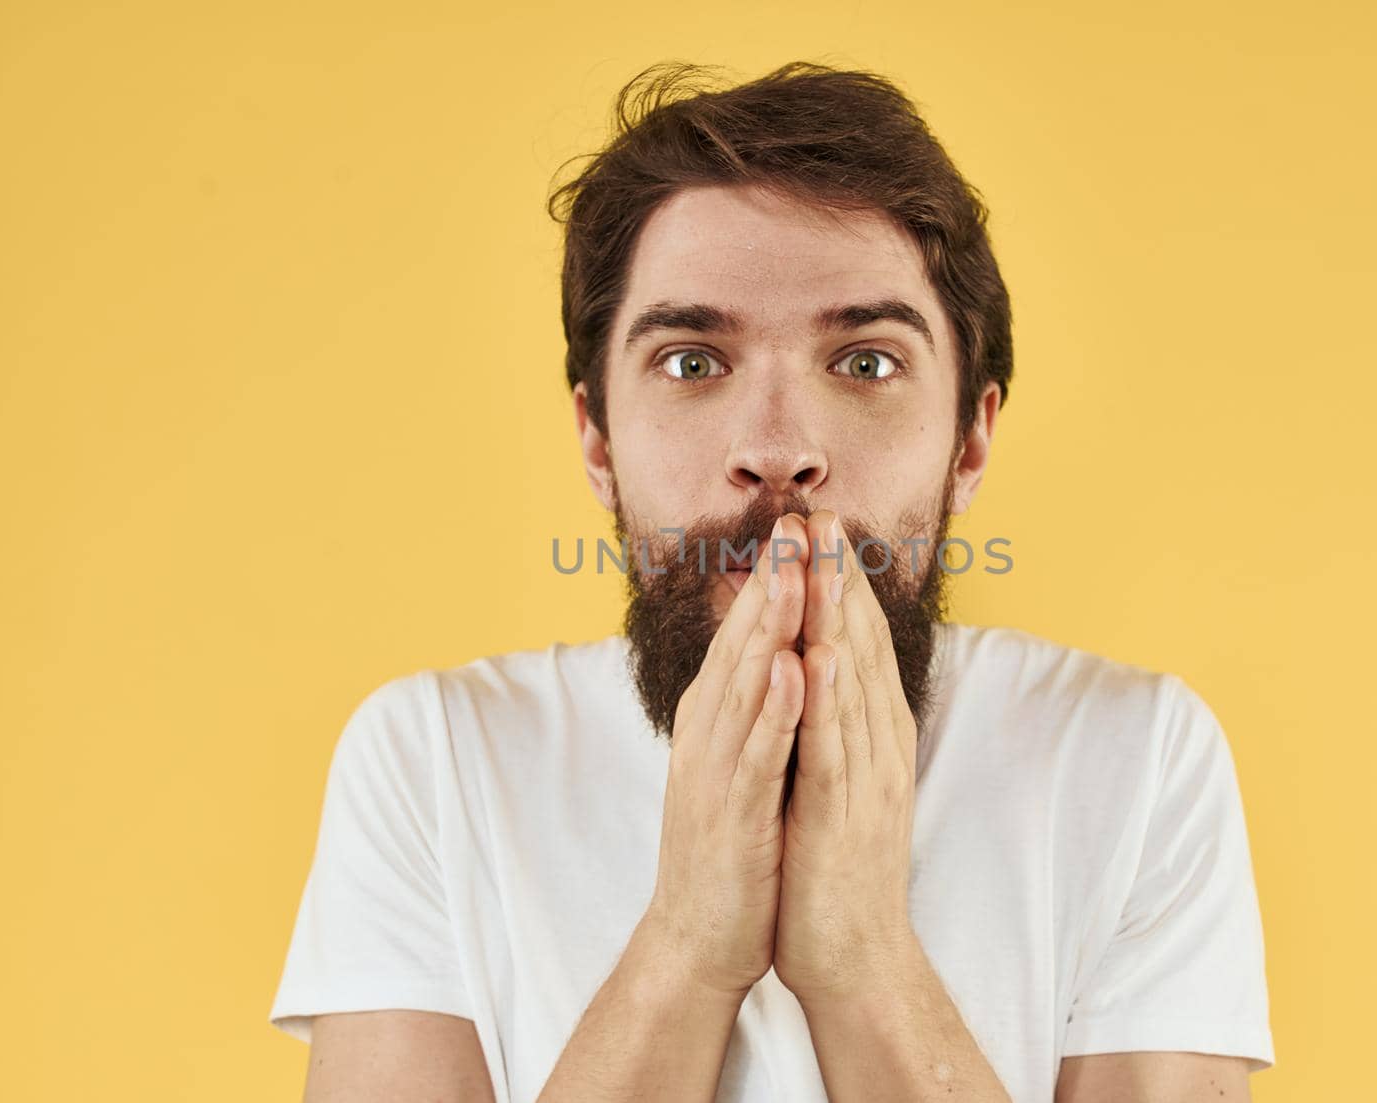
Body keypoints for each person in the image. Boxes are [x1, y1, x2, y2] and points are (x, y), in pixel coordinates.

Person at [268, 61, 1274, 1102]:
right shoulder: (433, 759)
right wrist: (688, 945)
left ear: (970, 440)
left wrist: (860, 958)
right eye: (694, 362)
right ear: (597, 440)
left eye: (867, 362)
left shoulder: (1134, 755)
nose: (779, 451)